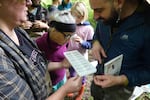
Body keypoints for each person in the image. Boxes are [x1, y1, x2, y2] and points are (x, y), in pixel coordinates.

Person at [0, 0, 82, 100]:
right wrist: (64, 90)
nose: (29, 2)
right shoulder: (2, 59)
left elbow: (37, 62)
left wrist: (62, 65)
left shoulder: (18, 32)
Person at [89, 0, 150, 100]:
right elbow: (98, 33)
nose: (95, 17)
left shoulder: (146, 26)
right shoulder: (106, 16)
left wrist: (122, 80)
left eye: (99, 10)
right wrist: (95, 42)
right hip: (98, 82)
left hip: (120, 92)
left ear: (119, 2)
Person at [36, 10, 76, 92]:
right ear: (54, 30)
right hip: (47, 84)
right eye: (67, 35)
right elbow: (37, 66)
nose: (69, 40)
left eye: (71, 36)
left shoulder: (64, 42)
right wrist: (61, 64)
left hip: (61, 79)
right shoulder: (39, 44)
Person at [67, 2, 94, 100]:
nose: (75, 19)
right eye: (73, 16)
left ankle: (80, 93)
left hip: (81, 57)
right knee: (72, 74)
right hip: (71, 55)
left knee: (82, 77)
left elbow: (90, 45)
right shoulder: (72, 25)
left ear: (83, 16)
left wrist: (82, 42)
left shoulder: (88, 29)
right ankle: (70, 89)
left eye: (77, 17)